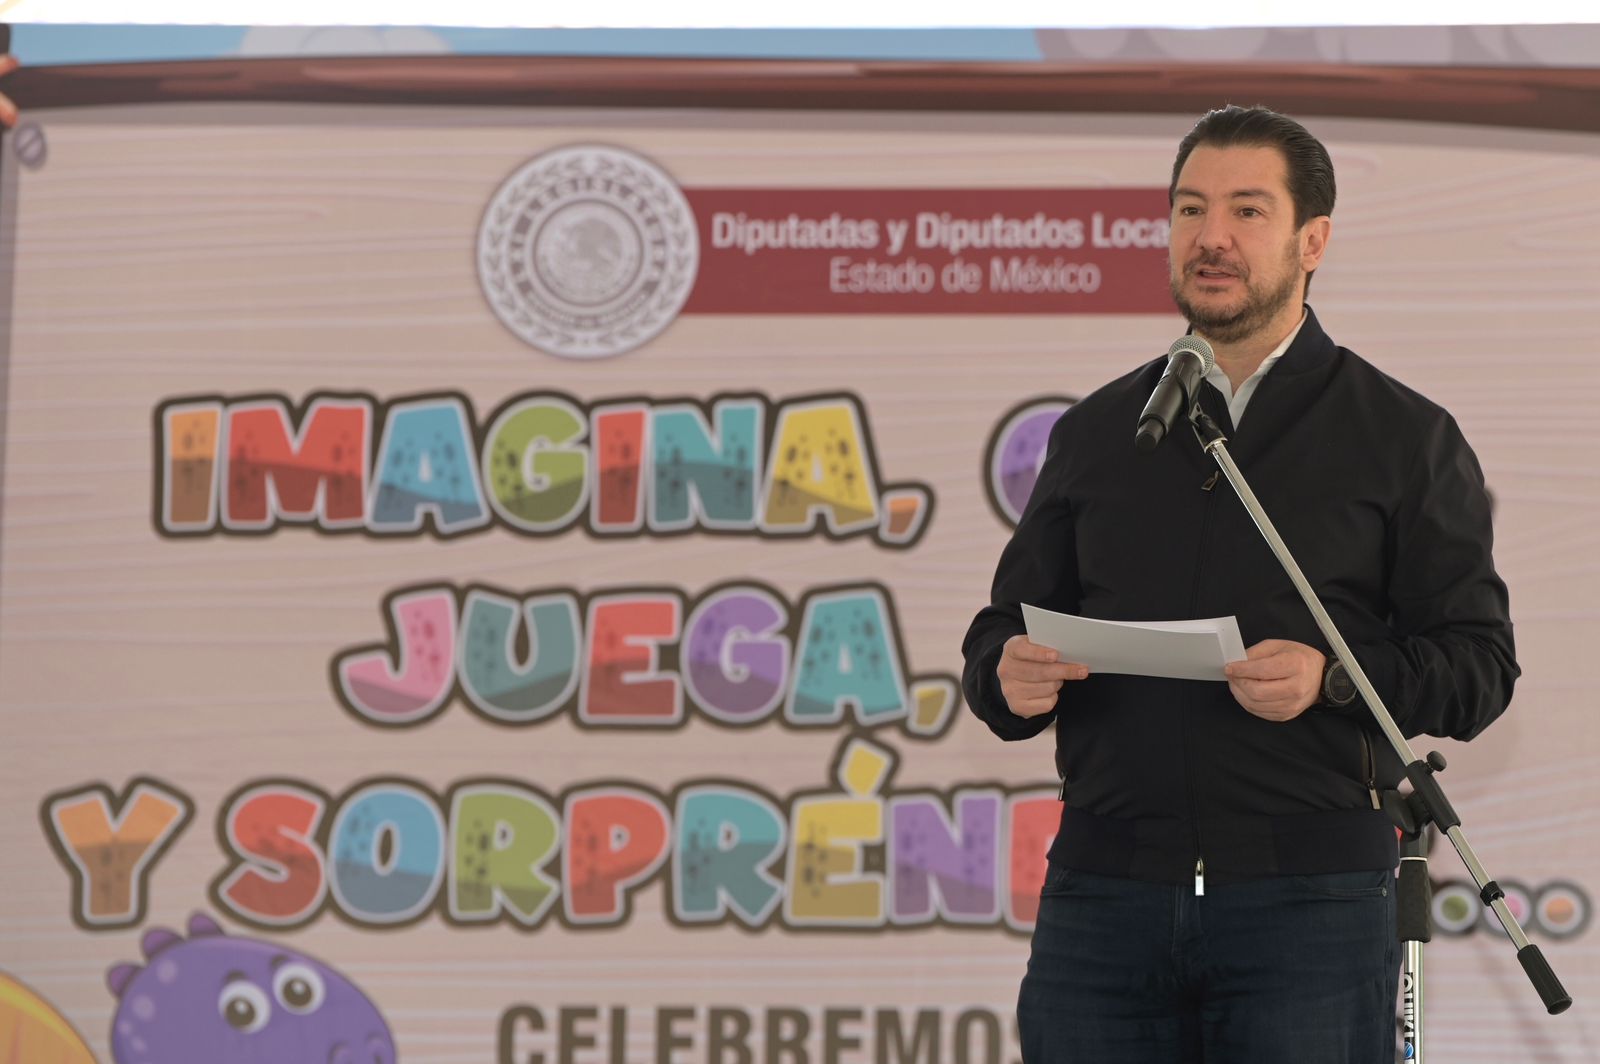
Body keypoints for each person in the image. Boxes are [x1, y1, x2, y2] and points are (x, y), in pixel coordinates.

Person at [961, 105, 1518, 1063]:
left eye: (1247, 211)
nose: (1210, 236)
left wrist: (1331, 678)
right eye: (1190, 209)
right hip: (1104, 897)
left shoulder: (1401, 435)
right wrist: (1005, 674)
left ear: (1313, 241)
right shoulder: (1099, 431)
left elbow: (1479, 666)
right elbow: (1000, 631)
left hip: (1310, 904)